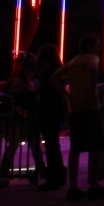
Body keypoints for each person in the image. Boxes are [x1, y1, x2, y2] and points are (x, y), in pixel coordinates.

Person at [53, 34, 104, 202]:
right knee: (95, 147)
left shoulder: (73, 62)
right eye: (98, 45)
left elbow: (54, 78)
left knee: (76, 148)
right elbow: (93, 68)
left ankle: (73, 187)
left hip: (76, 109)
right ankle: (93, 185)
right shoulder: (92, 58)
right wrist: (93, 89)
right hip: (91, 107)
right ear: (90, 47)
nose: (100, 48)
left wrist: (67, 95)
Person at [0, 53, 45, 182]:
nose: (31, 72)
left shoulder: (34, 83)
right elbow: (12, 100)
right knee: (15, 144)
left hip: (29, 118)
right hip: (19, 119)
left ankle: (41, 169)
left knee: (34, 145)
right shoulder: (19, 83)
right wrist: (21, 110)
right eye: (29, 70)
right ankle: (3, 171)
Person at [35, 43, 68, 191]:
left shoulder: (47, 72)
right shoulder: (58, 70)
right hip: (55, 109)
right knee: (53, 144)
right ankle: (58, 175)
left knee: (50, 144)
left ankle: (54, 177)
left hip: (47, 109)